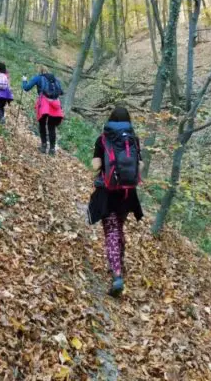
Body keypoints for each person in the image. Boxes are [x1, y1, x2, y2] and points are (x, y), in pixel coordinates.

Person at [88, 106, 143, 297]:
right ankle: (120, 262)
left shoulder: (103, 139)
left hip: (108, 192)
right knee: (119, 226)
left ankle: (117, 274)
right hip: (128, 193)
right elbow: (140, 165)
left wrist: (100, 163)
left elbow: (95, 165)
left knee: (110, 229)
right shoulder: (133, 140)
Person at [21, 66, 64, 155]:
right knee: (51, 127)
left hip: (44, 104)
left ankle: (44, 146)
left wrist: (24, 80)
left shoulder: (38, 78)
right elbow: (61, 92)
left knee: (42, 124)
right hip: (55, 105)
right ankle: (52, 149)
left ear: (39, 71)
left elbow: (26, 88)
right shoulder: (55, 79)